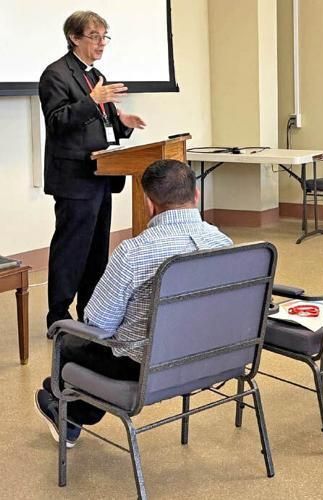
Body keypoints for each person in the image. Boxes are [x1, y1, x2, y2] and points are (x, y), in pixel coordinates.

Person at [35, 160, 232, 447]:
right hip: (210, 358)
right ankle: (64, 402)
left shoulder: (134, 252)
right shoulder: (222, 242)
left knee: (69, 343)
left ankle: (69, 411)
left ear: (148, 203)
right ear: (196, 194)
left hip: (146, 369)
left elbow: (97, 324)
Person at [39, 11, 146, 327]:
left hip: (101, 173)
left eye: (105, 36)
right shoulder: (55, 74)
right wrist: (92, 99)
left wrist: (121, 123)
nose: (102, 43)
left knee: (98, 250)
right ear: (74, 37)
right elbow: (58, 122)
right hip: (74, 177)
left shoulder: (94, 74)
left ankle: (90, 311)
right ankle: (58, 315)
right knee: (71, 248)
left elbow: (101, 121)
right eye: (95, 36)